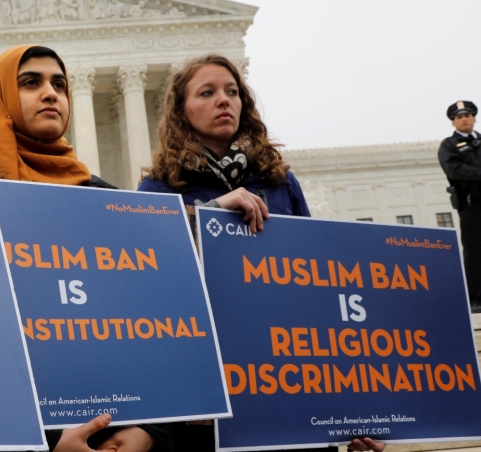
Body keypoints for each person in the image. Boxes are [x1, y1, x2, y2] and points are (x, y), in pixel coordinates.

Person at [138, 53, 383, 452]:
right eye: (208, 92)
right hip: (207, 393)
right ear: (181, 112)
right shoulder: (161, 190)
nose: (224, 100)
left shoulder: (278, 181)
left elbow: (320, 286)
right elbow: (149, 284)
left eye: (232, 92)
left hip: (290, 380)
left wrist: (350, 408)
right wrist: (212, 214)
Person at [0, 45, 170, 452]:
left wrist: (148, 431)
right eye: (30, 83)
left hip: (116, 427)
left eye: (60, 84)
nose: (50, 93)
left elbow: (148, 328)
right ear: (1, 96)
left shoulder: (104, 197)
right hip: (14, 432)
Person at [438, 100, 481, 314]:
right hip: (472, 205)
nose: (464, 119)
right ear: (453, 122)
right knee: (473, 254)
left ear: (474, 118)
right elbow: (455, 170)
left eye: (467, 115)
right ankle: (476, 301)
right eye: (459, 117)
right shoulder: (449, 146)